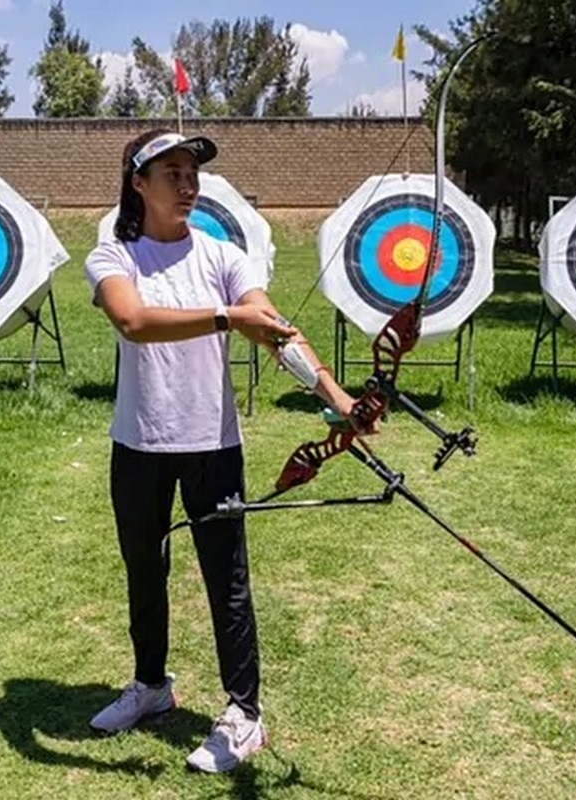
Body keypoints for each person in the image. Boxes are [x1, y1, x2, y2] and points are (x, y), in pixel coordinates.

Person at [82, 128, 372, 774]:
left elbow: (272, 329)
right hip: (139, 442)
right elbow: (132, 320)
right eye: (172, 174)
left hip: (212, 445)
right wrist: (224, 319)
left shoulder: (222, 255)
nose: (187, 186)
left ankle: (245, 715)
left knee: (227, 580)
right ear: (138, 182)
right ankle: (151, 685)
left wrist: (337, 398)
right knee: (143, 567)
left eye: (193, 175)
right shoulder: (113, 257)